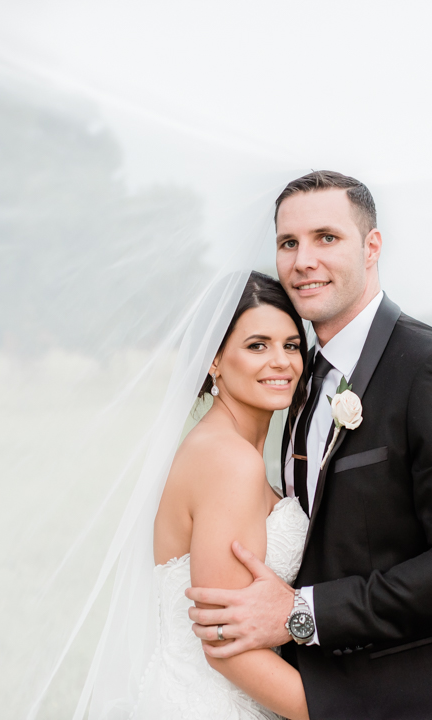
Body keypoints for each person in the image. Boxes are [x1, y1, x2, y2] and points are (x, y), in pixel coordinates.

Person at [186, 171, 432, 719]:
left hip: (408, 703)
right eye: (288, 243)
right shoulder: (300, 379)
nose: (303, 261)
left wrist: (302, 614)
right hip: (311, 691)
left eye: (326, 238)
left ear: (372, 246)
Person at [141, 271, 312, 720]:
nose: (281, 362)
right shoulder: (229, 462)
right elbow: (225, 643)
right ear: (214, 359)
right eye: (257, 346)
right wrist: (344, 711)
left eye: (291, 345)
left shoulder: (223, 447)